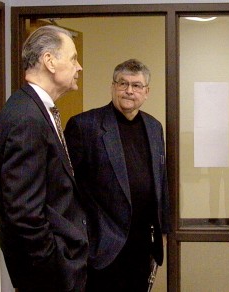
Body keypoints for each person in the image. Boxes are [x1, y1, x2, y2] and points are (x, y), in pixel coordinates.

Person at [0, 25, 88, 292]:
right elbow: (24, 214)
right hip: (47, 276)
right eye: (72, 58)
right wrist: (56, 269)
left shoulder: (33, 109)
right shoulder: (27, 117)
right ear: (49, 61)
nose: (79, 66)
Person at [64, 59, 171, 292]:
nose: (129, 91)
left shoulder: (154, 128)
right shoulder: (85, 126)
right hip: (102, 247)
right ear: (113, 86)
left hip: (142, 245)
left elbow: (161, 180)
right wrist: (79, 237)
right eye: (123, 83)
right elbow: (65, 188)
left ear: (146, 92)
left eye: (136, 85)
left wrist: (163, 229)